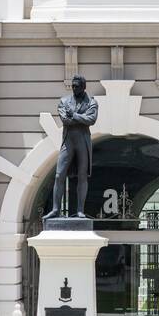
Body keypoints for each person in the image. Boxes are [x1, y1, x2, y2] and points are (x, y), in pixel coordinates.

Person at [45, 74, 98, 219]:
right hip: (68, 141)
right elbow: (65, 120)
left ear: (83, 87)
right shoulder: (64, 101)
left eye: (77, 86)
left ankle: (80, 210)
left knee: (82, 176)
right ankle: (56, 209)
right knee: (59, 174)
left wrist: (74, 115)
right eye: (72, 86)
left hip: (83, 141)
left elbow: (91, 120)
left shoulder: (92, 102)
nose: (74, 88)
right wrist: (80, 118)